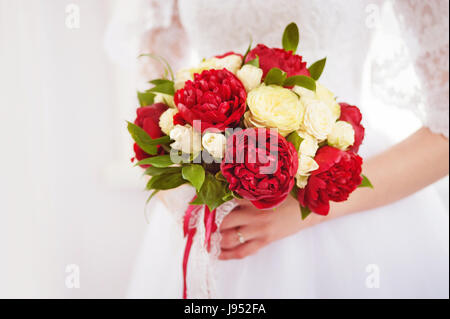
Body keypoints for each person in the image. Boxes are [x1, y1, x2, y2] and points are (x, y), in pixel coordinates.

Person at [110, 0, 449, 298]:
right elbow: (152, 104)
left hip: (342, 202)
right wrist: (184, 190)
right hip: (211, 199)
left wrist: (308, 209)